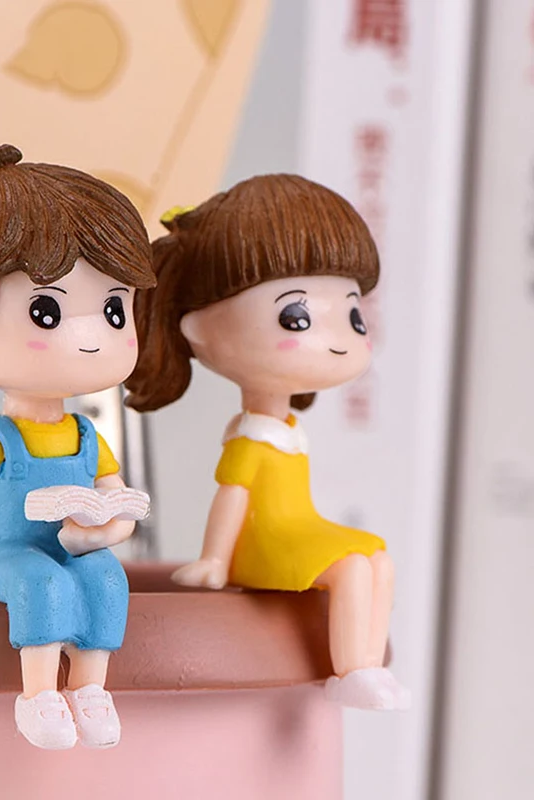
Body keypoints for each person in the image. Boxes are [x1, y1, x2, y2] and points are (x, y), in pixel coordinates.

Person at [0, 144, 156, 747]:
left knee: (107, 580)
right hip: (8, 553)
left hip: (72, 545)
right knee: (42, 585)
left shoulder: (87, 436)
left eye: (113, 310)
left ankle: (89, 689)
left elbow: (115, 497)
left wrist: (106, 531)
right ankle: (39, 695)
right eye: (47, 311)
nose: (92, 337)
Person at [126, 175, 409, 710]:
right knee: (351, 568)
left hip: (298, 531)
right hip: (261, 547)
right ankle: (352, 669)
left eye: (352, 314)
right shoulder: (251, 438)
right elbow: (233, 497)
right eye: (296, 317)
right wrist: (214, 560)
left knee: (378, 559)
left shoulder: (287, 431)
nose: (337, 340)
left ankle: (370, 667)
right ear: (199, 330)